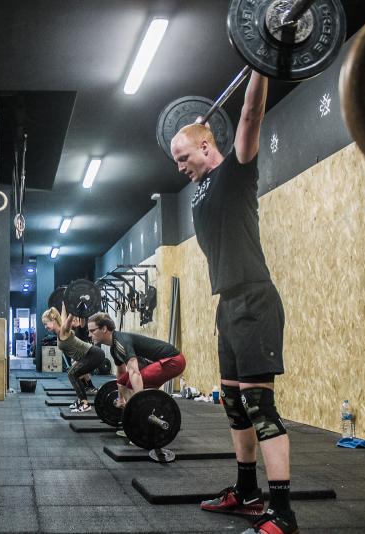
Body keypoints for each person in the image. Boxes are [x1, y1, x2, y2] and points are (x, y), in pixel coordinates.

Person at [169, 71, 295, 534]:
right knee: (234, 404)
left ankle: (282, 514)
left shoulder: (237, 171)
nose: (179, 167)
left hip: (255, 300)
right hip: (229, 306)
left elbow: (249, 114)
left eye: (183, 157)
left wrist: (259, 64)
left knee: (260, 407)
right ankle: (246, 492)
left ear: (206, 147)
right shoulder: (200, 188)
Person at [87, 312, 185, 407]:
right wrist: (120, 398)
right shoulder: (114, 348)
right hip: (158, 362)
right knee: (123, 382)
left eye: (92, 331)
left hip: (173, 361)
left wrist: (139, 403)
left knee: (132, 383)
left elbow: (135, 373)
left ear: (104, 329)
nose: (89, 335)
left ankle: (139, 409)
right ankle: (133, 408)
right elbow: (121, 374)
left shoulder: (121, 342)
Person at [41, 305, 105, 412]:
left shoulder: (64, 330)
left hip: (94, 354)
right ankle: (80, 400)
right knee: (74, 373)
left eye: (45, 323)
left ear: (53, 320)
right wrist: (64, 304)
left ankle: (85, 404)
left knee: (72, 373)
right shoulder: (60, 330)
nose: (45, 327)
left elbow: (69, 319)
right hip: (88, 355)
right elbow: (63, 317)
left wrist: (73, 309)